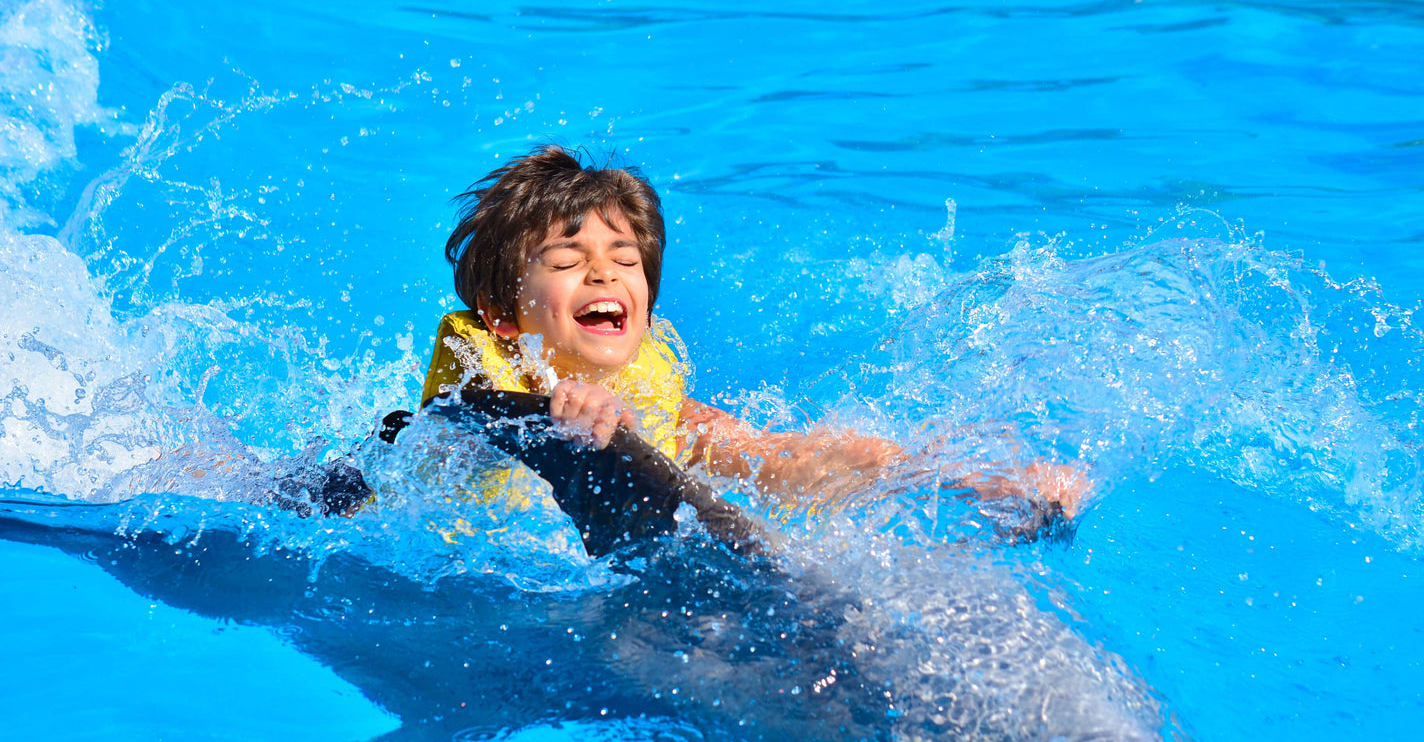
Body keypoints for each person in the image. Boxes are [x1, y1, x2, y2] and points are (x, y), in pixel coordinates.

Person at [419, 145, 1088, 519]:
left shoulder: (651, 392)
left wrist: (965, 475)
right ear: (502, 313)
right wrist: (549, 417)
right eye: (567, 262)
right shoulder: (478, 384)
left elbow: (780, 458)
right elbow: (447, 454)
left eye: (626, 262)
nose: (603, 275)